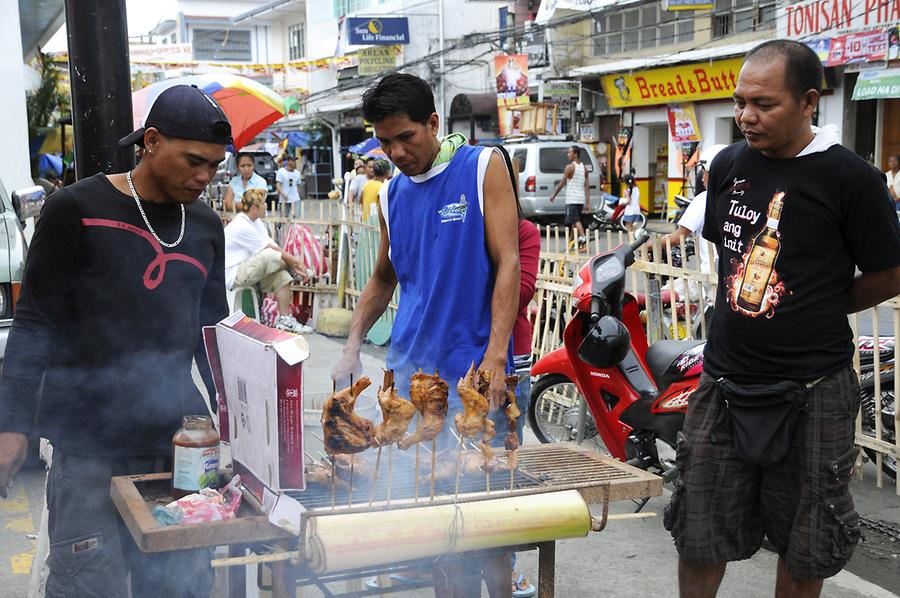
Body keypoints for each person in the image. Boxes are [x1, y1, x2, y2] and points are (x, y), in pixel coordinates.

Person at [666, 40, 900, 598]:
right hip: (723, 381)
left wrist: (816, 301)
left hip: (813, 388)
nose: (746, 116)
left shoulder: (851, 179)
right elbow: (727, 259)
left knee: (808, 537)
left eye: (763, 104)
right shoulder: (726, 166)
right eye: (740, 101)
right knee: (698, 529)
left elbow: (891, 273)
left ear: (809, 101)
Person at [0, 84, 231, 597]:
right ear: (150, 141)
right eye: (195, 161)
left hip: (182, 448)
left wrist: (238, 423)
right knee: (89, 585)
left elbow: (212, 334)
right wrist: (11, 427)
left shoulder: (207, 226)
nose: (204, 177)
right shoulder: (75, 209)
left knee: (180, 584)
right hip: (88, 448)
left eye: (215, 166)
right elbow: (35, 323)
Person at [330, 73, 520, 597]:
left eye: (405, 138)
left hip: (475, 373)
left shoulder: (482, 167)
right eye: (384, 141)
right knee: (435, 521)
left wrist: (498, 356)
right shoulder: (390, 193)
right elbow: (384, 276)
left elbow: (509, 263)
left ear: (433, 123)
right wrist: (351, 347)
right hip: (411, 379)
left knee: (492, 519)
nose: (395, 152)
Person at [225, 188, 312, 334]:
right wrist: (296, 263)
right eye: (264, 204)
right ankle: (295, 271)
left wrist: (294, 263)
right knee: (271, 256)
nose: (266, 207)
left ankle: (286, 320)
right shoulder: (241, 225)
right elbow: (269, 249)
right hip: (235, 274)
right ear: (254, 208)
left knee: (282, 278)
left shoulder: (256, 222)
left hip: (251, 270)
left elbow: (274, 245)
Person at [660, 144, 727, 275]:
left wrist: (646, 245)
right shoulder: (740, 199)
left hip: (710, 275)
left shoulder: (704, 199)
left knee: (674, 292)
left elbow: (677, 238)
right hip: (734, 276)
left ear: (714, 172)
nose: (702, 178)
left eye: (704, 172)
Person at [549, 145, 590, 244]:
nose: (568, 154)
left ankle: (584, 237)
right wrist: (588, 203)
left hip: (572, 199)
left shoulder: (570, 167)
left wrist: (554, 195)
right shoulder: (584, 168)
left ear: (575, 154)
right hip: (580, 199)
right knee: (573, 223)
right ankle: (571, 242)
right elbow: (586, 187)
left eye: (569, 152)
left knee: (575, 220)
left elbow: (562, 183)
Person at [276, 154, 303, 218]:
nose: (294, 162)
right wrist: (283, 194)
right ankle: (278, 227)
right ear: (288, 161)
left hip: (295, 198)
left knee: (297, 217)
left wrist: (297, 193)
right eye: (292, 160)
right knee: (284, 217)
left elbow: (299, 185)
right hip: (284, 198)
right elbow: (278, 184)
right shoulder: (281, 171)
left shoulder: (297, 173)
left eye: (295, 160)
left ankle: (295, 228)